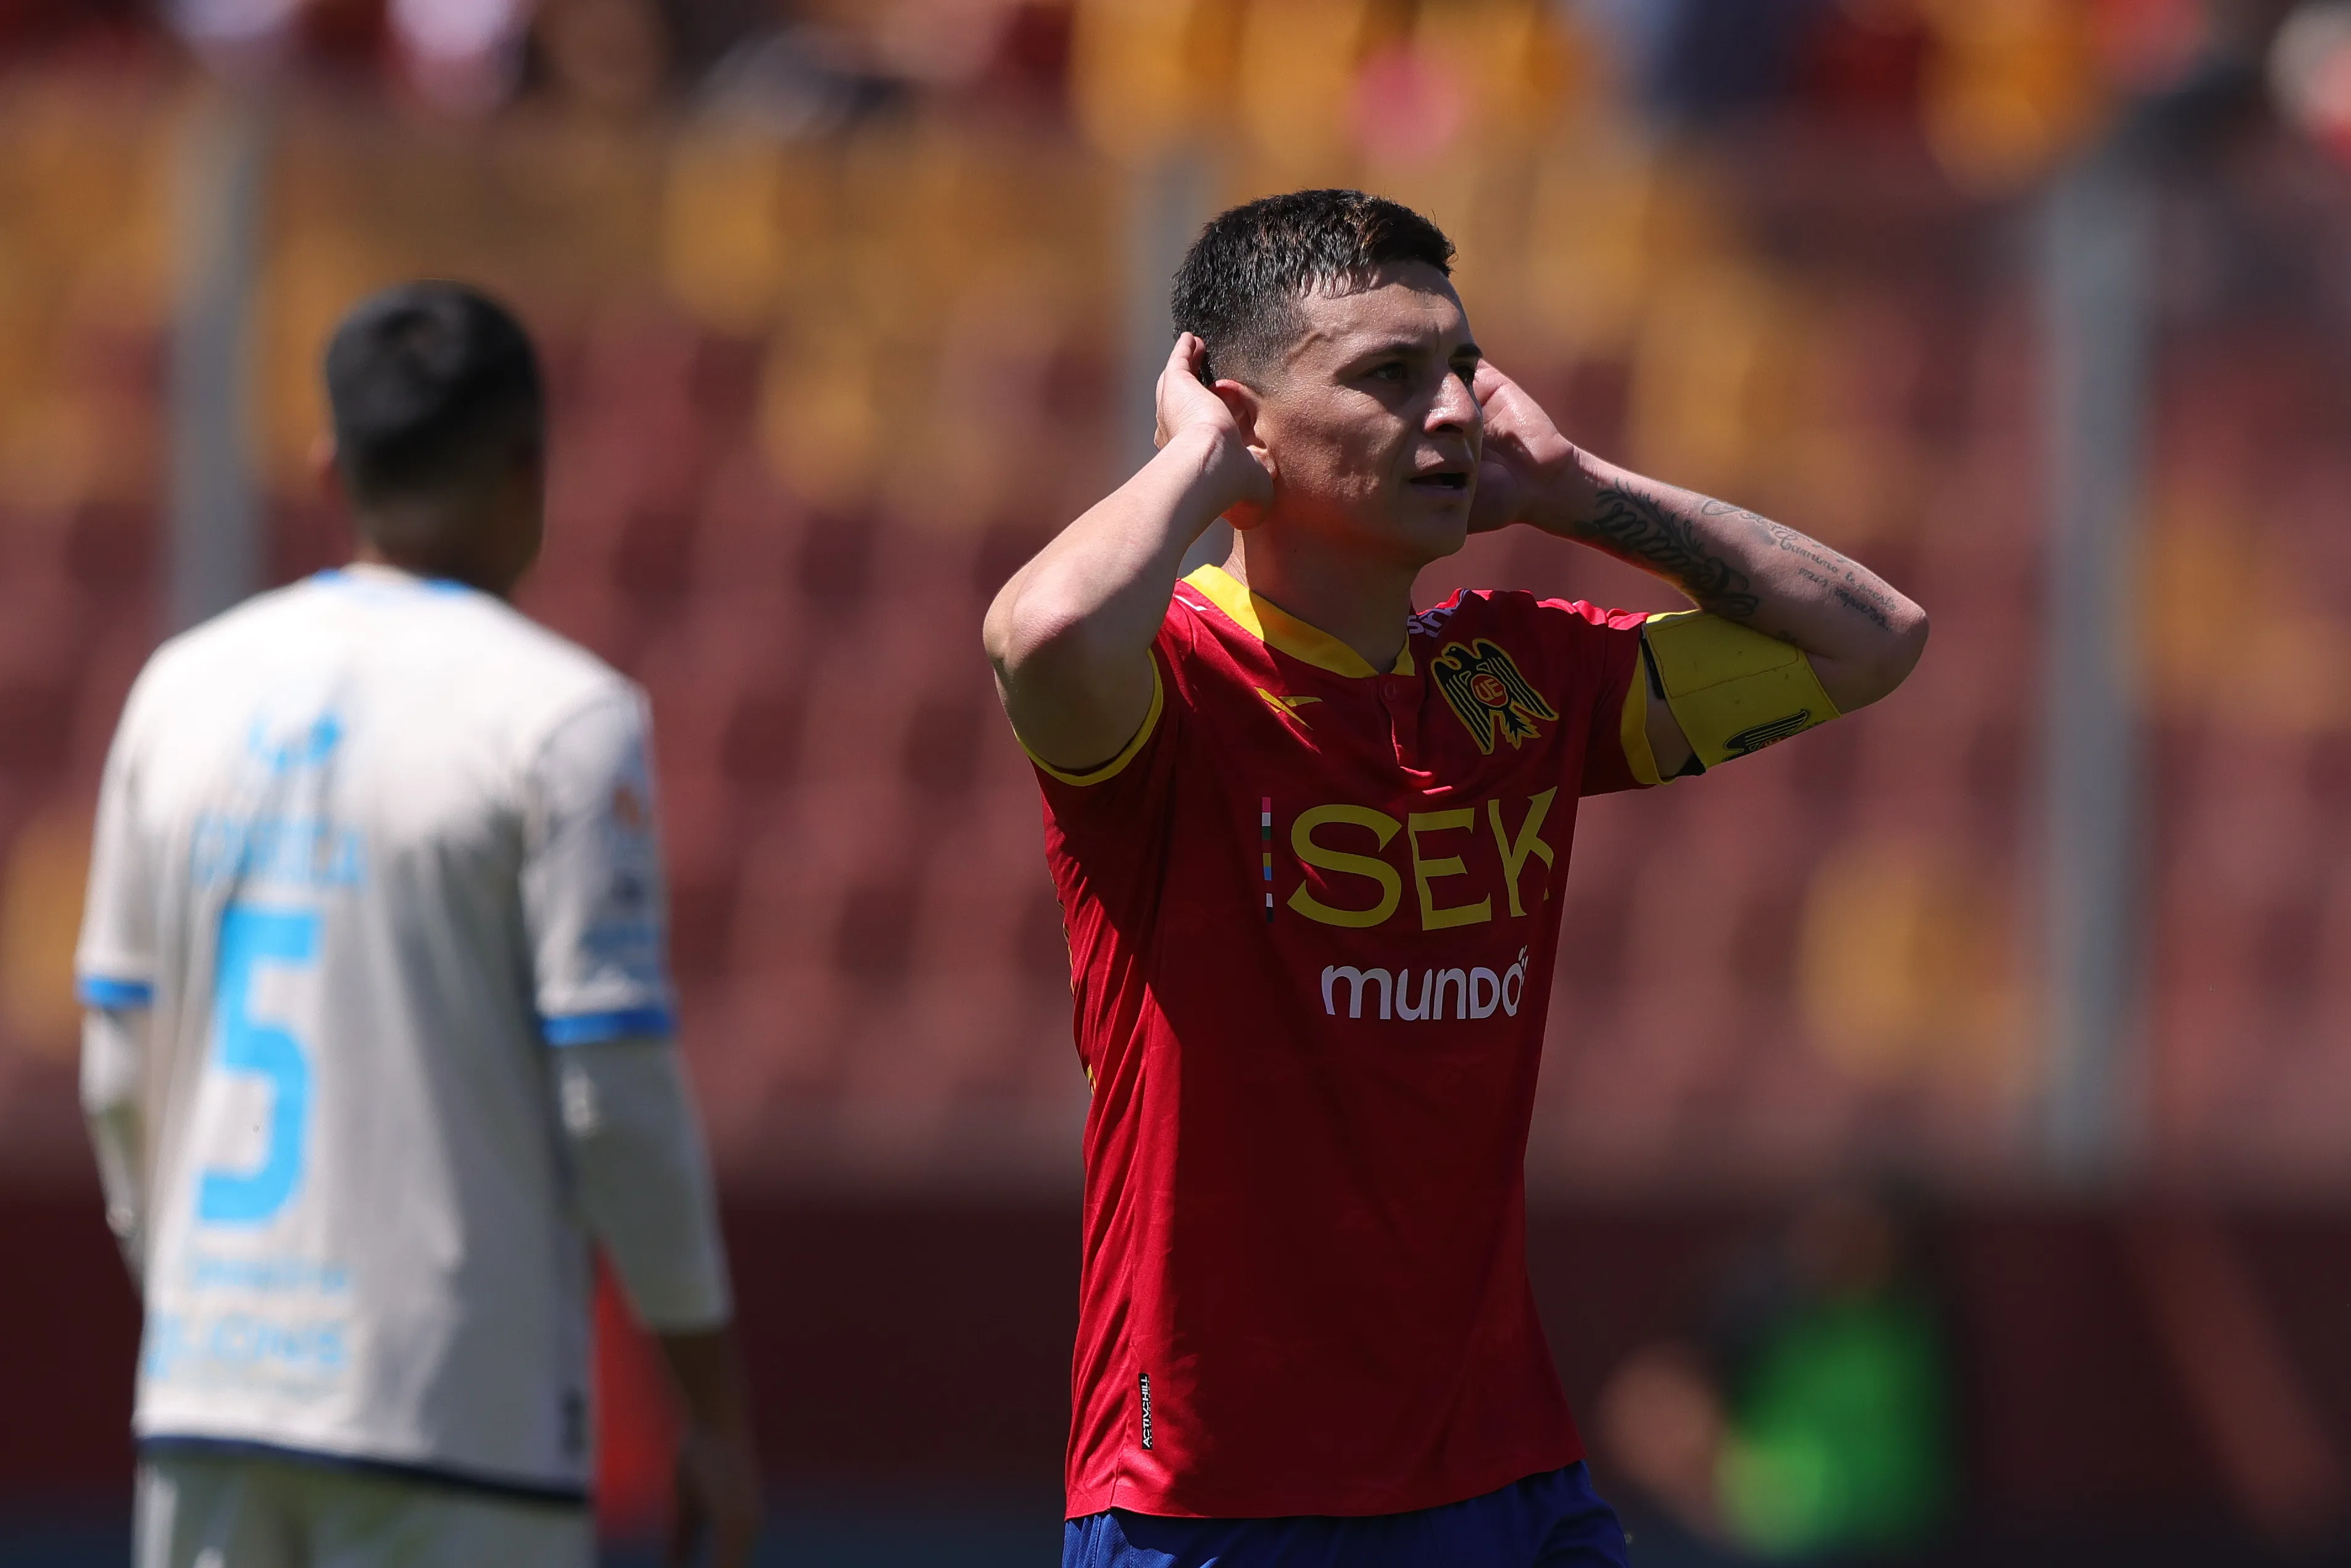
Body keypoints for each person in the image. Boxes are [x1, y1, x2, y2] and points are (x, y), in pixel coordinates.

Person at [982, 189, 1928, 1567]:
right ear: (1245, 418)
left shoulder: (1515, 678)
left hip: (1506, 1474)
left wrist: (1575, 490)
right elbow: (1044, 631)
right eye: (1386, 377)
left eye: (1460, 370)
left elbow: (1874, 643)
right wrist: (1196, 464)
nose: (1449, 413)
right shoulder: (1166, 685)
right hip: (1218, 1494)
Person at [76, 282, 763, 1568]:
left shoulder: (177, 691)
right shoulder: (564, 719)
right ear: (527, 470)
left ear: (331, 468)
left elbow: (118, 1071)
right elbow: (616, 1098)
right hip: (454, 1416)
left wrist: (194, 1305)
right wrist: (713, 1409)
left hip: (209, 1398)